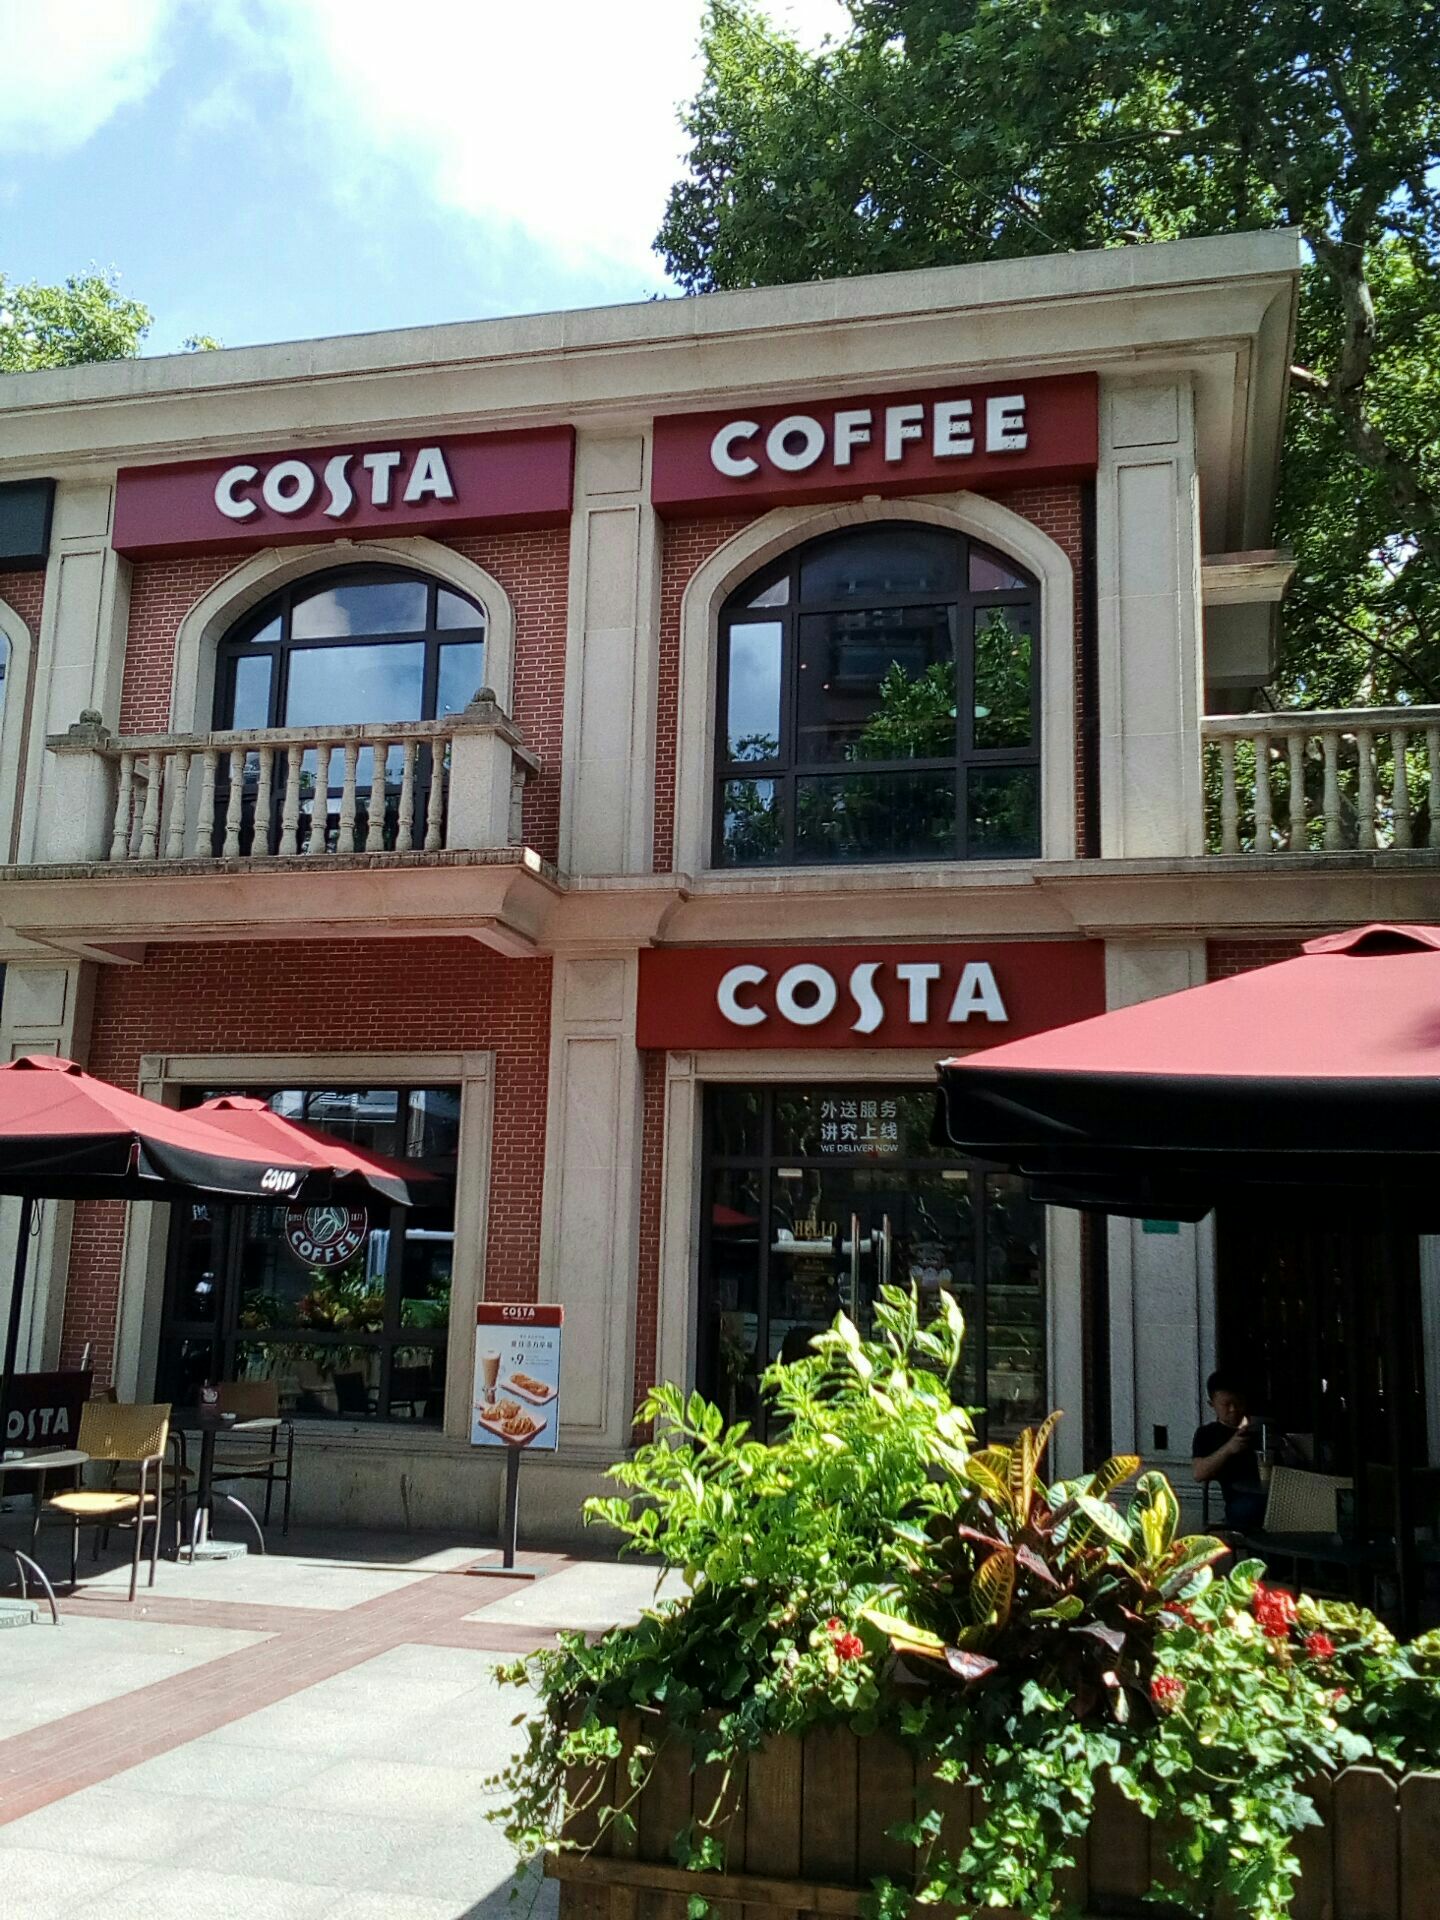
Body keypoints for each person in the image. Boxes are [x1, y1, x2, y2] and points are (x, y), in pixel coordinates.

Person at [1192, 1369, 1267, 1532]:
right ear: (1212, 1404)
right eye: (1226, 1405)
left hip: (1277, 1492)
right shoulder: (1207, 1434)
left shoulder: (1261, 1429)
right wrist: (1229, 1449)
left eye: (1238, 1403)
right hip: (1242, 1497)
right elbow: (1199, 1473)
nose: (1233, 1409)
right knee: (1252, 1509)